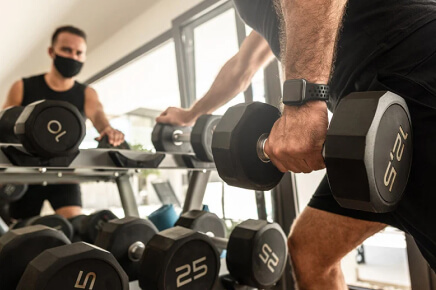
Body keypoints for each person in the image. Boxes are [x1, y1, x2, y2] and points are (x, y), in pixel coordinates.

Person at [158, 0, 436, 288]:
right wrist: (192, 114)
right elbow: (243, 66)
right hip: (364, 117)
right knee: (311, 253)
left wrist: (302, 102)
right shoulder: (279, 13)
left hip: (412, 73)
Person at [2, 25, 125, 220]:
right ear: (52, 52)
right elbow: (4, 123)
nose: (73, 57)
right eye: (67, 50)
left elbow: (98, 113)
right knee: (21, 235)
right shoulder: (23, 86)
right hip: (24, 171)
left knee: (76, 226)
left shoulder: (86, 93)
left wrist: (107, 129)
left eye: (79, 53)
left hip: (63, 172)